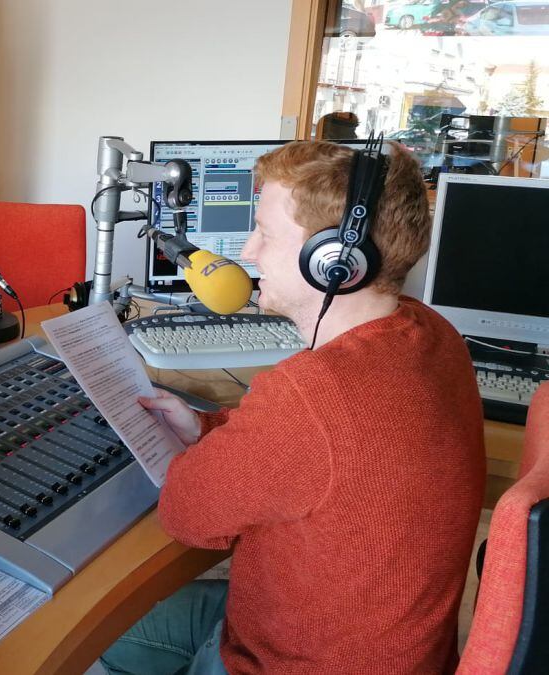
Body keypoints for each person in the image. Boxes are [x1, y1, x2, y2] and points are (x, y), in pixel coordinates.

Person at [101, 141, 485, 674]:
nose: (249, 251)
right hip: (377, 645)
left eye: (265, 233)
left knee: (86, 638)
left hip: (301, 662)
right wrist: (209, 426)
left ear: (333, 262)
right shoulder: (432, 333)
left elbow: (187, 517)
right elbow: (323, 458)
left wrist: (204, 457)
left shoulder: (315, 392)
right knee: (110, 628)